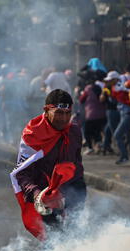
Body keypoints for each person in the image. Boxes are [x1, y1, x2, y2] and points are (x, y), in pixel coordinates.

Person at [10, 89, 86, 240]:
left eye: (67, 113)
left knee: (74, 234)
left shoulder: (75, 131)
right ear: (46, 110)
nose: (64, 118)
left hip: (74, 188)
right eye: (58, 112)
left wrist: (77, 186)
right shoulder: (33, 135)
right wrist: (37, 194)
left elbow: (77, 161)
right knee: (55, 239)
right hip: (45, 194)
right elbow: (22, 173)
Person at [113, 63, 130, 164]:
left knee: (117, 135)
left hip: (128, 112)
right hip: (125, 111)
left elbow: (120, 89)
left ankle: (124, 156)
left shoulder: (121, 81)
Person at [79, 80, 107, 155]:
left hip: (91, 114)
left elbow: (81, 99)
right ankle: (98, 145)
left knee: (87, 132)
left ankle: (90, 148)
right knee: (97, 131)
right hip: (101, 114)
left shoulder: (88, 88)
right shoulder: (99, 88)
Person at [101, 70, 121, 155]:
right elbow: (101, 99)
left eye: (110, 80)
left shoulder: (119, 87)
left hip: (116, 111)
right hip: (111, 110)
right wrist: (104, 92)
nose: (108, 81)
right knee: (111, 130)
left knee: (111, 130)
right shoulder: (107, 88)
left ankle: (109, 147)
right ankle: (109, 147)